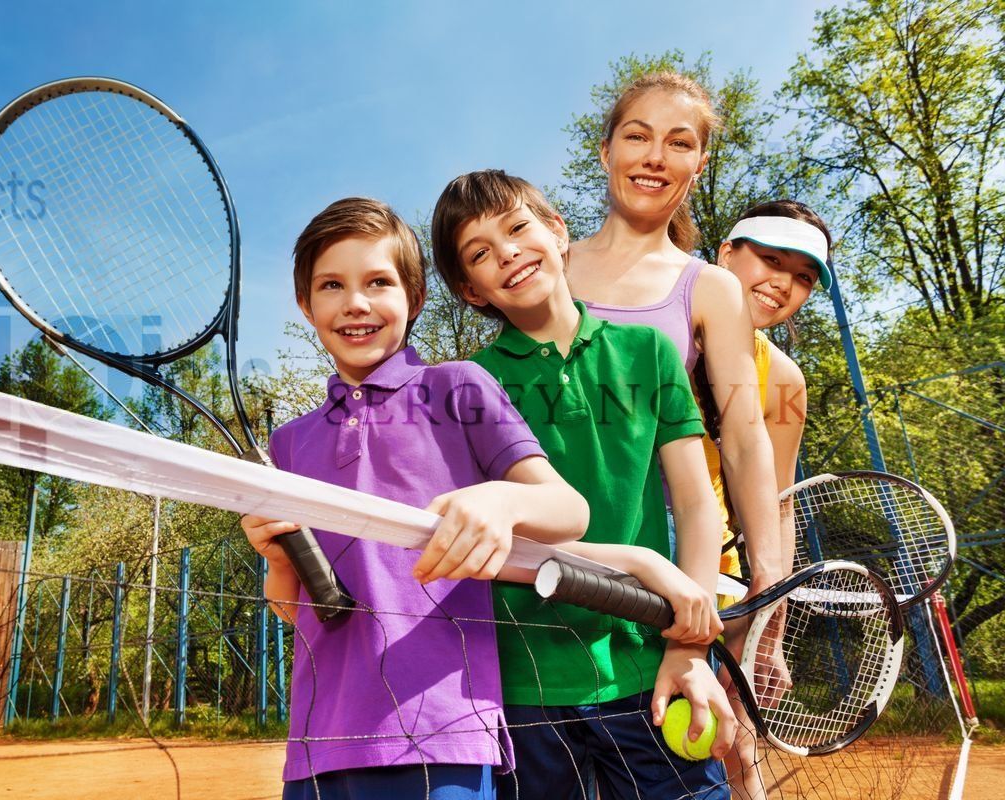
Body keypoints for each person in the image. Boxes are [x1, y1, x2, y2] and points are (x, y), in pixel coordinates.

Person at [241, 196, 590, 800]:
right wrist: (276, 561)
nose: (355, 302)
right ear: (306, 305)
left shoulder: (459, 388)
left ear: (414, 298)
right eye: (331, 285)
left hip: (441, 734)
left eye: (378, 281)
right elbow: (296, 612)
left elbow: (569, 512)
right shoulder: (290, 441)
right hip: (316, 746)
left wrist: (503, 502)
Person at [431, 169, 736, 800]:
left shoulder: (648, 352)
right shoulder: (463, 384)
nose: (508, 252)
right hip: (523, 685)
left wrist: (690, 646)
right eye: (480, 253)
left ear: (558, 231)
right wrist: (638, 563)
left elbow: (697, 504)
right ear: (470, 290)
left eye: (518, 228)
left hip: (647, 664)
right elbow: (486, 542)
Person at [565, 72, 786, 604]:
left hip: (665, 543)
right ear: (606, 151)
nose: (655, 157)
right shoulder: (549, 266)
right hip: (548, 529)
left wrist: (769, 572)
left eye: (679, 142)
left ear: (699, 164)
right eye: (638, 136)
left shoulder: (710, 287)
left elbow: (744, 435)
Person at [706, 199, 832, 800]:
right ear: (724, 253)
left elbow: (776, 502)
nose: (783, 283)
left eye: (803, 276)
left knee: (733, 745)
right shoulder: (648, 327)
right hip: (614, 567)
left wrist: (769, 633)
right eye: (770, 259)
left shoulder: (782, 379)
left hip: (715, 584)